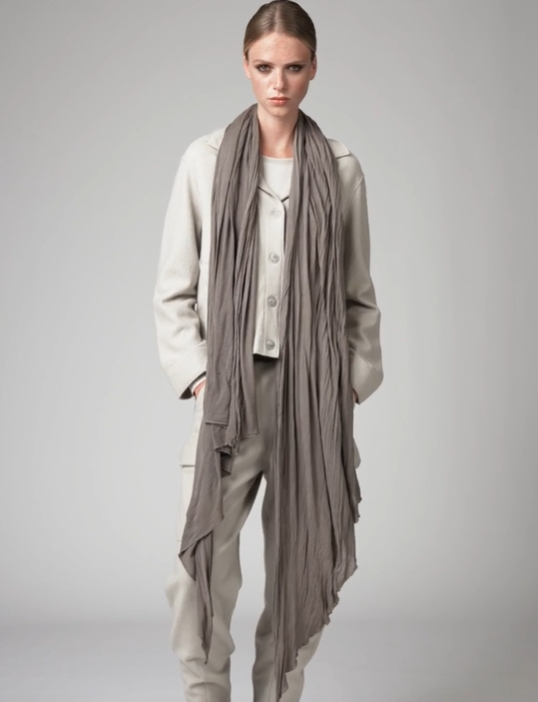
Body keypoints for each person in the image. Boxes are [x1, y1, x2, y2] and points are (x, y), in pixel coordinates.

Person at [152, 1, 384, 700]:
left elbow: (359, 297)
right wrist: (202, 378)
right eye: (264, 67)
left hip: (312, 398)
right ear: (245, 66)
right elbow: (173, 289)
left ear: (313, 69)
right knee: (198, 569)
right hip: (231, 394)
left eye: (293, 68)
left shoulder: (340, 168)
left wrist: (347, 384)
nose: (278, 83)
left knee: (299, 565)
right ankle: (205, 693)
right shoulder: (205, 161)